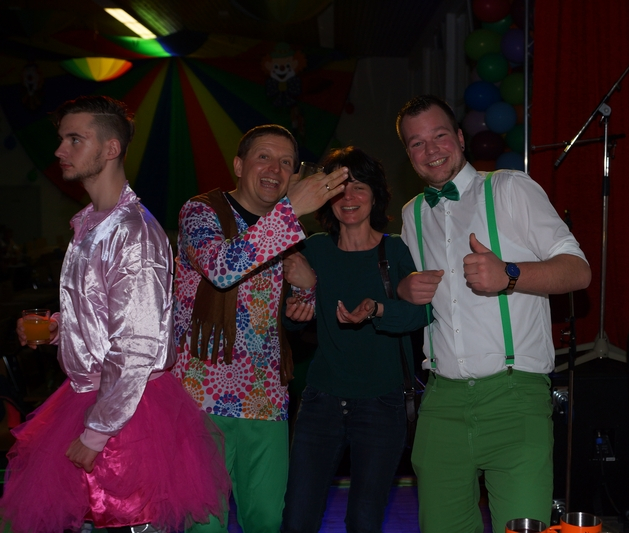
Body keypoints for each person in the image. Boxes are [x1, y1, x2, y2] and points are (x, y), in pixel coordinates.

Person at [2, 95, 230, 533]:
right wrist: (59, 328)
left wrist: (96, 432)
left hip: (126, 414)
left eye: (75, 139)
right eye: (62, 139)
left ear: (111, 148)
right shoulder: (91, 222)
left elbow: (139, 344)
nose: (60, 150)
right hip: (91, 398)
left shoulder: (132, 232)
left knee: (128, 521)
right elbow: (107, 314)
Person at [395, 95, 592, 533]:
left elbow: (578, 271)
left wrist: (511, 275)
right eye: (416, 143)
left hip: (514, 395)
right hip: (441, 402)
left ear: (460, 137)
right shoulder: (412, 215)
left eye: (439, 135)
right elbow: (412, 299)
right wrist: (403, 290)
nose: (431, 150)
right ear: (408, 154)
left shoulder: (509, 188)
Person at [171, 124, 349, 532]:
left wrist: (307, 289)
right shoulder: (201, 211)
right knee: (203, 524)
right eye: (264, 157)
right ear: (239, 165)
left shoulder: (287, 231)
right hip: (201, 396)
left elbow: (289, 313)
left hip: (265, 395)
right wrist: (291, 212)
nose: (275, 169)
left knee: (268, 520)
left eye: (286, 162)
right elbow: (220, 268)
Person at [280, 146, 427, 533]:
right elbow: (289, 323)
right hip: (321, 401)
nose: (349, 197)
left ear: (375, 195)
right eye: (339, 188)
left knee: (364, 520)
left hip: (382, 404)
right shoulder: (313, 249)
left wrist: (376, 310)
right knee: (297, 518)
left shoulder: (395, 250)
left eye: (359, 186)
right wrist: (301, 301)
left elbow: (418, 316)